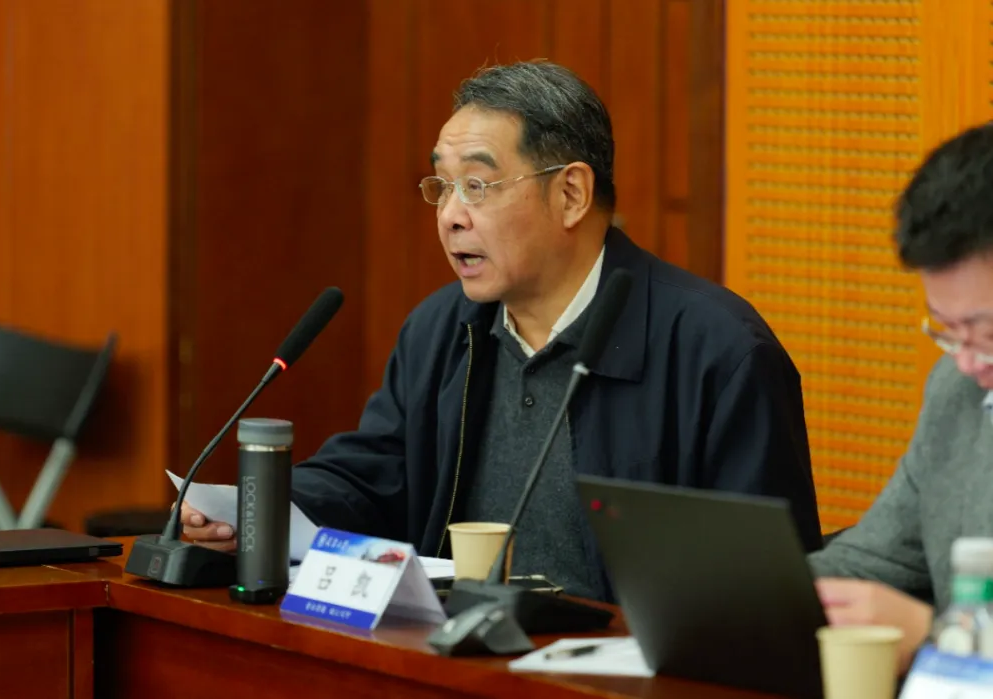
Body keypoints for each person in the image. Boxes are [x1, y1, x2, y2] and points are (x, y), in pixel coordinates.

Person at [183, 60, 821, 601]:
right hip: (452, 660)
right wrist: (256, 510)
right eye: (442, 186)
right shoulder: (440, 329)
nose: (450, 216)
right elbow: (376, 475)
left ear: (570, 194)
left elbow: (764, 587)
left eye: (477, 185)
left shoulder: (718, 351)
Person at [809, 121, 993, 673]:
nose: (966, 360)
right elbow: (875, 557)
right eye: (947, 329)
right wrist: (748, 595)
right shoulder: (956, 392)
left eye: (986, 332)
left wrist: (934, 635)